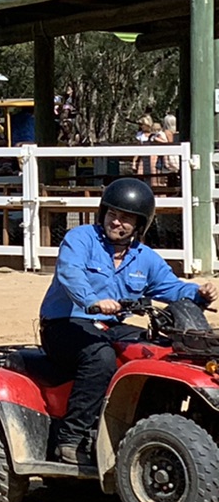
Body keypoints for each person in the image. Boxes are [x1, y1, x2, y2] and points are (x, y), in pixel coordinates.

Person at [37, 177, 217, 466]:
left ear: (139, 226)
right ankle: (70, 440)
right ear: (103, 213)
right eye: (113, 215)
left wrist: (199, 292)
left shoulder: (145, 258)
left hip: (108, 326)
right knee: (100, 358)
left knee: (155, 351)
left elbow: (171, 288)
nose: (116, 222)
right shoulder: (80, 239)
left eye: (126, 219)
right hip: (65, 323)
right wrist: (93, 301)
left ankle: (143, 426)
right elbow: (71, 274)